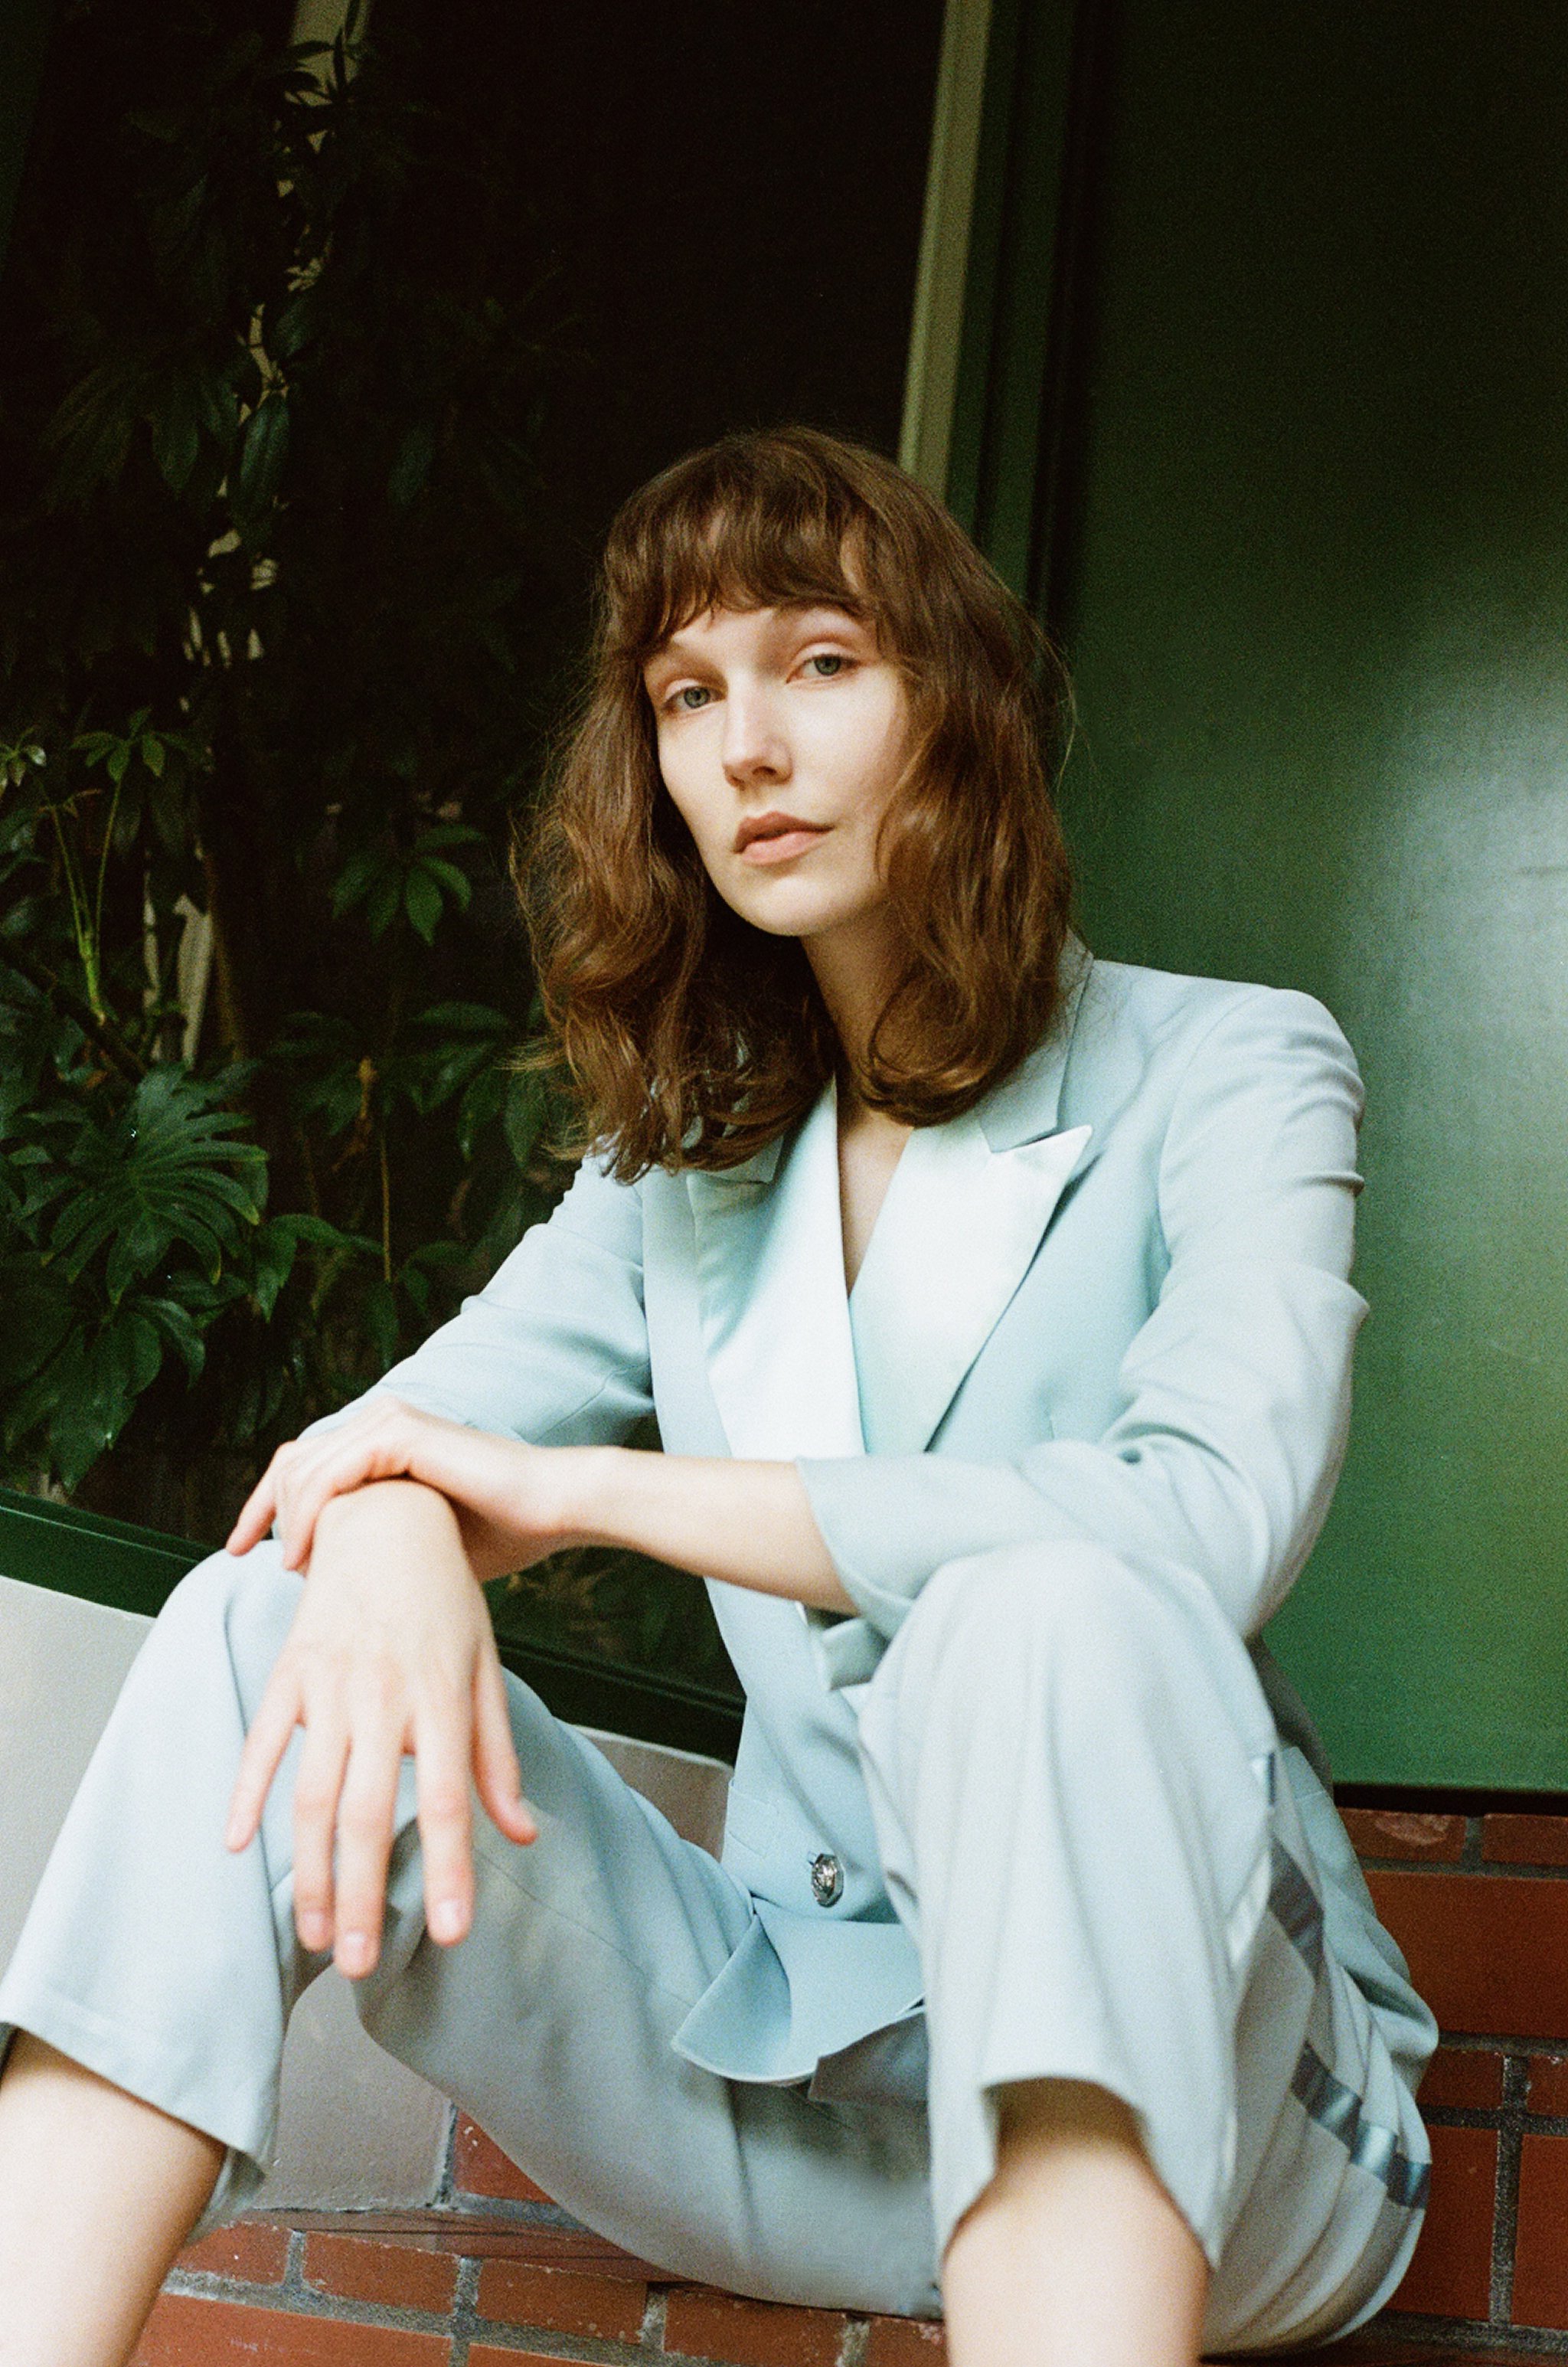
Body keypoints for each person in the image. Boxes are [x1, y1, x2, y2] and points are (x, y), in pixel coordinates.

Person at [0, 427, 1435, 2367]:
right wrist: (410, 1524)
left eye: (820, 663)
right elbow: (384, 1442)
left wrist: (586, 1495)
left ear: (964, 702)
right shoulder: (684, 1170)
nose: (745, 745)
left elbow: (1201, 1522)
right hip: (798, 2102)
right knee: (259, 1620)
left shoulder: (1231, 1066)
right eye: (688, 693)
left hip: (1225, 2130)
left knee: (1051, 1606)